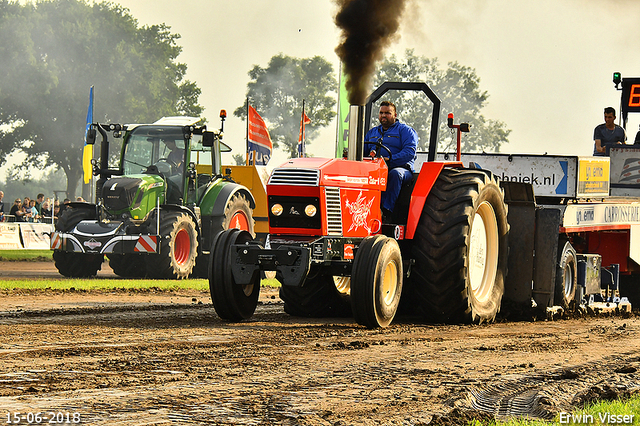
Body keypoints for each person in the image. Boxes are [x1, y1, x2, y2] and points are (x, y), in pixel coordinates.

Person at [364, 101, 418, 217]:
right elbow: (363, 150)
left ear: (395, 115)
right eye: (381, 113)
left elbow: (409, 153)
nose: (383, 115)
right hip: (375, 168)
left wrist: (389, 160)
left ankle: (385, 211)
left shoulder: (405, 131)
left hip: (401, 169)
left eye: (387, 113)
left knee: (395, 174)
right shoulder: (372, 132)